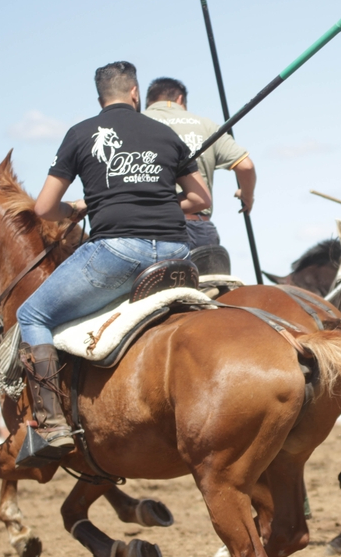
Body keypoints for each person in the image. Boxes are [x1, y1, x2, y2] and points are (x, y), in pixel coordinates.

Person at [15, 61, 211, 459]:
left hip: (118, 252)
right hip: (176, 251)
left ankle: (52, 424)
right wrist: (156, 200)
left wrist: (76, 209)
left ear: (101, 98)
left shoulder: (80, 133)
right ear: (135, 93)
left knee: (31, 316)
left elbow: (44, 206)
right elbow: (201, 200)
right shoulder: (164, 133)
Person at [143, 77, 256, 249]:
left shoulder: (135, 124)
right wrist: (247, 196)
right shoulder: (206, 125)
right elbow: (246, 166)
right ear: (180, 99)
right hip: (198, 226)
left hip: (151, 228)